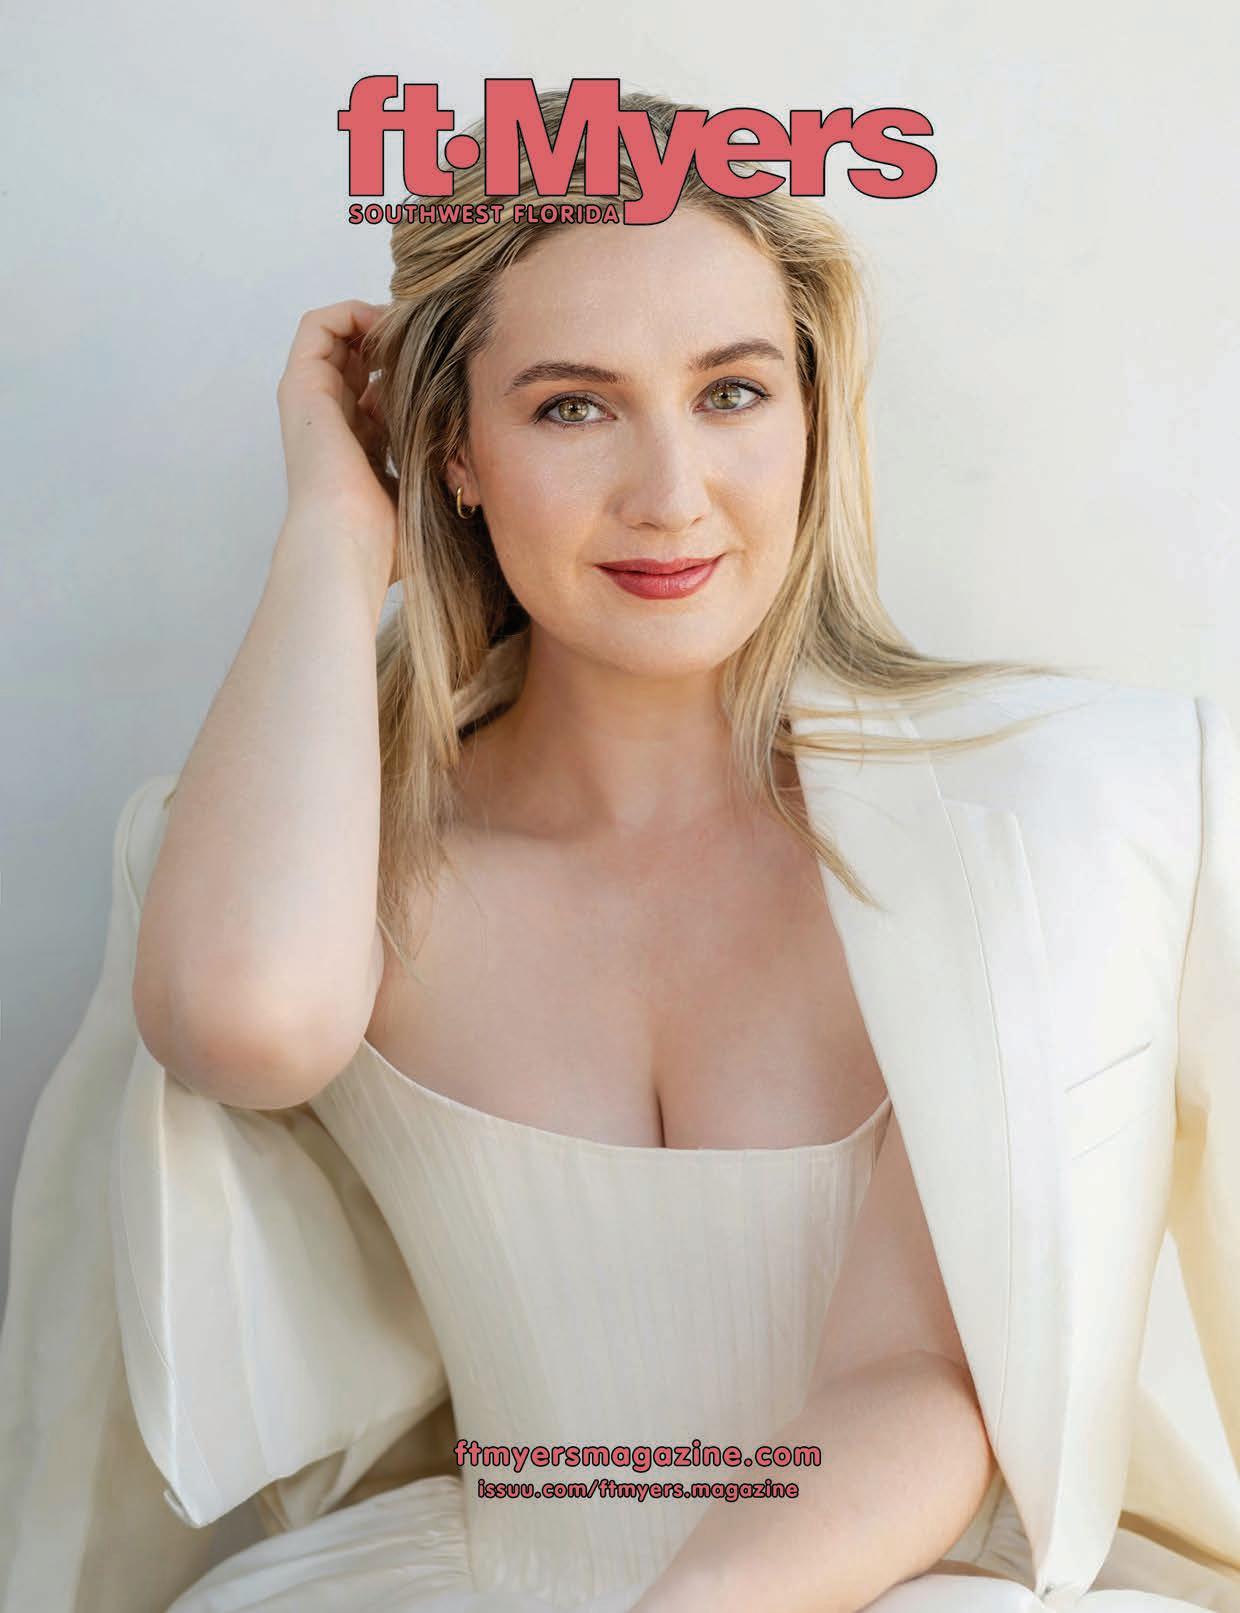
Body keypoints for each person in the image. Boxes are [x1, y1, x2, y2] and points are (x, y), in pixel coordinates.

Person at [2, 88, 1237, 1613]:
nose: (669, 495)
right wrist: (334, 528)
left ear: (808, 412)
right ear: (453, 449)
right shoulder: (320, 849)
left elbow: (924, 1379)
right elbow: (242, 1022)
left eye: (732, 392)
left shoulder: (1012, 830)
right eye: (572, 407)